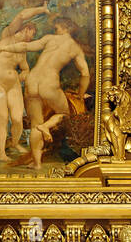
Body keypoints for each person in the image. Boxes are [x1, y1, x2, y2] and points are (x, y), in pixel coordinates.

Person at [15, 18, 91, 150]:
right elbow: (85, 74)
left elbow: (26, 46)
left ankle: (36, 163)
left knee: (35, 124)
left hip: (32, 81)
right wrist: (80, 94)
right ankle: (46, 126)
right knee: (65, 113)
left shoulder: (49, 38)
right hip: (48, 83)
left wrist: (3, 48)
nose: (55, 31)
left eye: (57, 28)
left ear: (65, 28)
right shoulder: (75, 48)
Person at [0, 3, 52, 160]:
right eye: (32, 33)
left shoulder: (22, 50)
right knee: (3, 118)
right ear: (26, 29)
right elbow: (22, 15)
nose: (32, 37)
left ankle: (15, 143)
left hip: (13, 84)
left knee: (17, 118)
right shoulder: (7, 36)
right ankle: (1, 153)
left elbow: (25, 69)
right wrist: (42, 9)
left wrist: (23, 75)